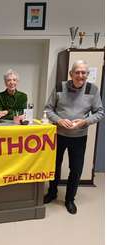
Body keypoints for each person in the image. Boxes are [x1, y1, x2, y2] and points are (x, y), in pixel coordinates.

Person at [44, 60, 104, 214]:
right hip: (58, 135)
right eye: (77, 72)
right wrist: (58, 120)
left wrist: (84, 121)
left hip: (79, 137)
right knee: (54, 167)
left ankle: (70, 199)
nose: (80, 75)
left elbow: (100, 113)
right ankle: (52, 193)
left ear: (87, 75)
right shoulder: (59, 87)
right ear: (71, 74)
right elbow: (48, 109)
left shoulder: (93, 90)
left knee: (76, 169)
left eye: (84, 72)